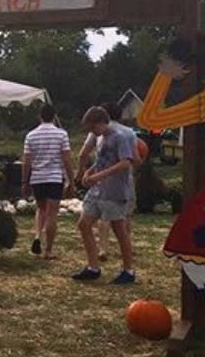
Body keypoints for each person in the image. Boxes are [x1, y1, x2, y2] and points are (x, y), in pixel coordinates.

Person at [72, 106, 137, 284]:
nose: (92, 132)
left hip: (115, 190)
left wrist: (100, 175)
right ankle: (93, 267)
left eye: (93, 127)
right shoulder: (100, 138)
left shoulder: (120, 137)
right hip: (98, 189)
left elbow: (125, 163)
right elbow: (102, 161)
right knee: (84, 224)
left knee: (119, 229)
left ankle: (128, 270)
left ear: (102, 122)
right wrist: (88, 173)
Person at [21, 104, 75, 259]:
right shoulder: (61, 135)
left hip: (37, 178)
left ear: (39, 116)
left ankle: (37, 236)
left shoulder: (31, 136)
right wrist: (71, 180)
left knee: (41, 209)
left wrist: (24, 181)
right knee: (52, 214)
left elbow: (27, 161)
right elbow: (66, 159)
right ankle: (48, 250)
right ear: (54, 116)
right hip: (54, 177)